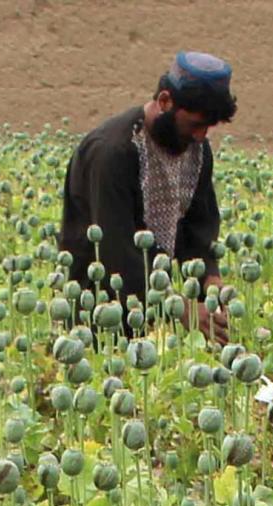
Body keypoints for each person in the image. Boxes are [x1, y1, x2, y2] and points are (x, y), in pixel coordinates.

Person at [58, 52, 236, 338]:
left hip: (155, 313)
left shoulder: (196, 149)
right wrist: (183, 309)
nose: (201, 136)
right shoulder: (113, 153)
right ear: (165, 101)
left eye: (209, 127)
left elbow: (198, 227)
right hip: (98, 318)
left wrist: (211, 280)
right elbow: (117, 252)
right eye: (195, 124)